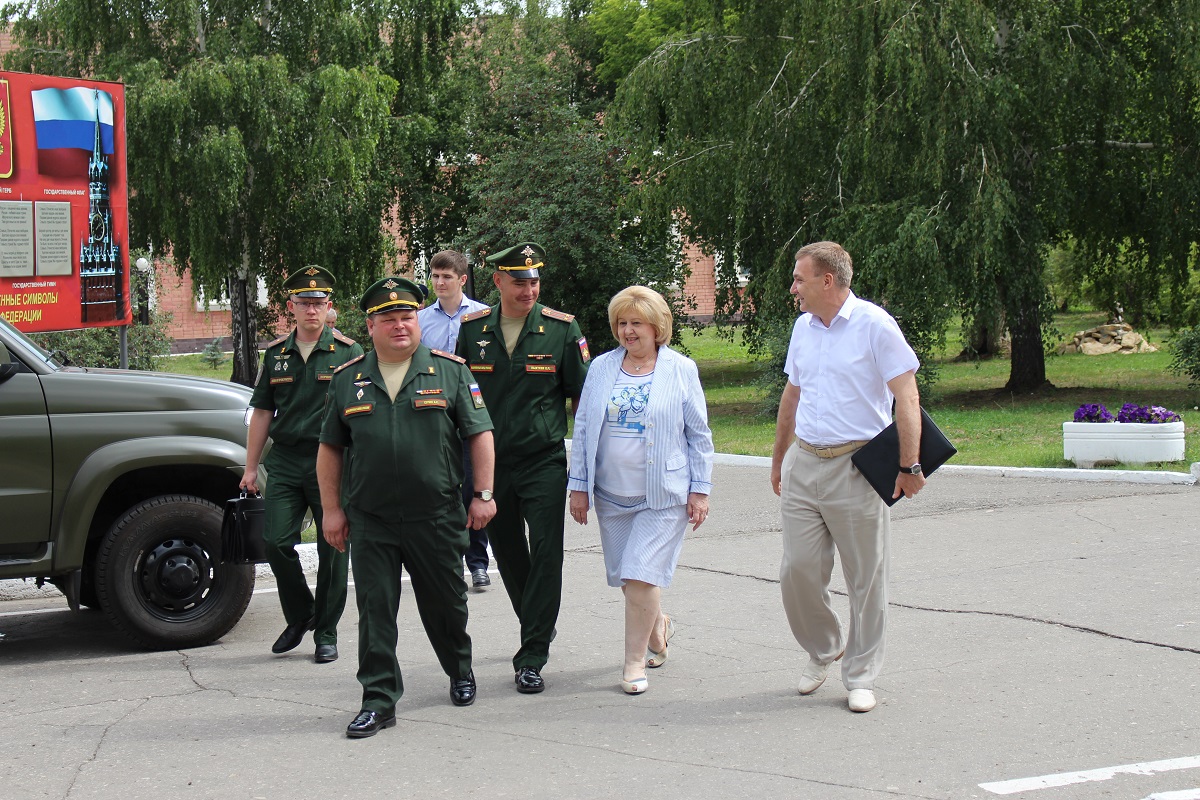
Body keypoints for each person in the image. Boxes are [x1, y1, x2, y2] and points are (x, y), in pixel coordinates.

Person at [317, 276, 496, 739]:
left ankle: (459, 667)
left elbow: (479, 434)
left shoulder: (450, 371)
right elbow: (330, 450)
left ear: (418, 321)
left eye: (407, 317)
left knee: (446, 604)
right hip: (372, 518)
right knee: (375, 609)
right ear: (370, 326)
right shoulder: (346, 380)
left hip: (435, 515)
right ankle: (378, 699)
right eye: (389, 319)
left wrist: (483, 495)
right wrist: (332, 510)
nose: (400, 326)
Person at [769, 241, 925, 714]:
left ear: (827, 281)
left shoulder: (876, 326)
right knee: (796, 570)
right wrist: (779, 458)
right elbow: (791, 396)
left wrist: (909, 465)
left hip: (858, 467)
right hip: (804, 462)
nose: (793, 288)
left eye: (799, 279)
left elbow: (907, 397)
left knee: (866, 579)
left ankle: (860, 675)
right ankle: (824, 647)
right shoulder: (803, 328)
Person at [456, 242, 590, 694]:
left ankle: (531, 654)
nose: (529, 288)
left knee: (547, 553)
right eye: (519, 280)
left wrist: (587, 467)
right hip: (492, 468)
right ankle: (538, 621)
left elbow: (582, 401)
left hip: (543, 461)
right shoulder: (472, 332)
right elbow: (461, 400)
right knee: (510, 554)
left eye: (534, 280)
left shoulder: (561, 330)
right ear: (498, 282)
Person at [567, 286, 713, 695]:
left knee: (640, 575)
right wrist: (578, 486)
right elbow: (582, 429)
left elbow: (699, 435)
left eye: (636, 323)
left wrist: (699, 490)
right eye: (622, 323)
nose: (628, 331)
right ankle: (658, 624)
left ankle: (633, 664)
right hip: (612, 495)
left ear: (657, 326)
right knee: (630, 582)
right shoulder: (600, 368)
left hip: (663, 495)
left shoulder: (680, 369)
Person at [241, 265, 363, 664]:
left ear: (330, 308)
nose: (311, 310)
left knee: (334, 548)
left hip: (334, 461)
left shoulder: (349, 352)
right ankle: (301, 614)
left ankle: (326, 632)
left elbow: (363, 411)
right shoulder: (276, 354)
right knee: (275, 542)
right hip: (288, 461)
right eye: (304, 303)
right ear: (290, 307)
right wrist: (250, 467)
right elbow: (262, 412)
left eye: (318, 303)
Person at [418, 249, 493, 591]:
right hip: (434, 416)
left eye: (446, 276)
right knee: (439, 488)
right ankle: (448, 560)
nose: (439, 282)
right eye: (434, 275)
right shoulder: (420, 320)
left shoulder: (482, 316)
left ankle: (477, 561)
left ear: (462, 280)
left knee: (473, 487)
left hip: (472, 414)